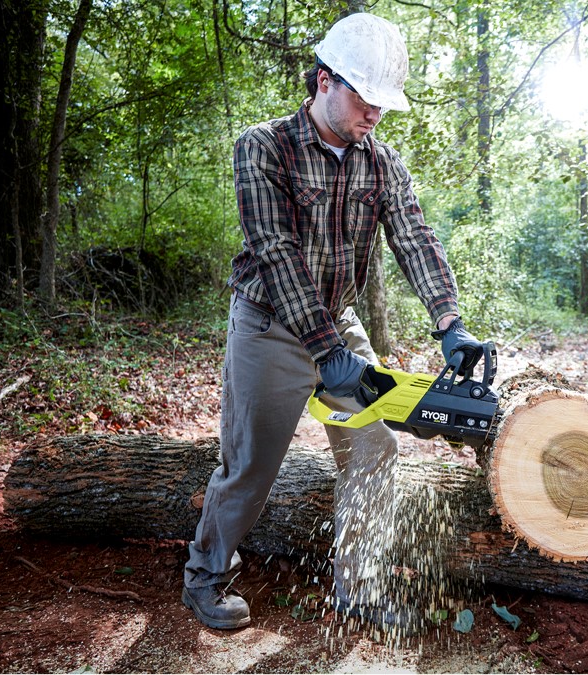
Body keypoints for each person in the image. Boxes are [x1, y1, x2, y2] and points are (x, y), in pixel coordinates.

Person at [182, 12, 482, 634]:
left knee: (375, 445)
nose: (374, 114)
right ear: (324, 81)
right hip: (269, 326)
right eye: (364, 99)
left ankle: (359, 586)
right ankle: (205, 576)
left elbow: (415, 239)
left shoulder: (382, 163)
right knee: (250, 464)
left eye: (382, 104)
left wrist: (450, 323)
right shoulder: (264, 147)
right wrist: (325, 352)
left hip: (337, 323)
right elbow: (275, 250)